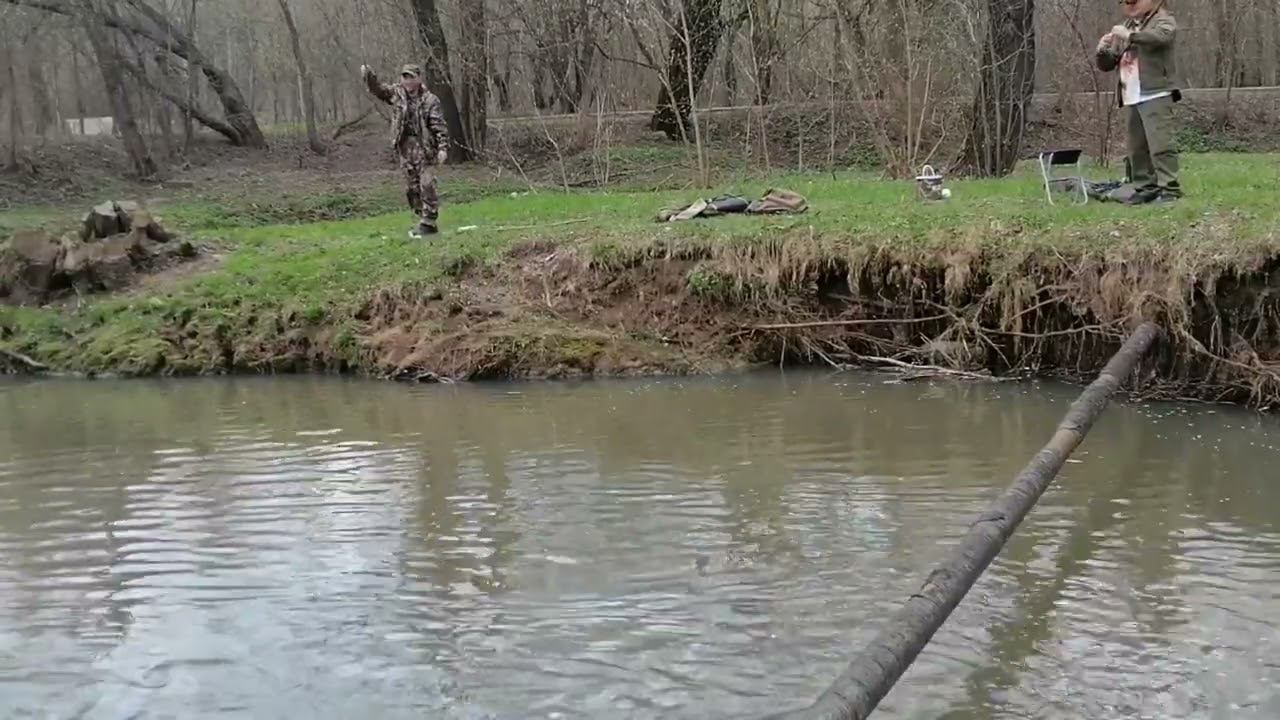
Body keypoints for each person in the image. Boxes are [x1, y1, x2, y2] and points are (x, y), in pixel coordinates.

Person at [1096, 0, 1182, 205]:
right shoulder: (1126, 27)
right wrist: (1102, 50)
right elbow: (1108, 64)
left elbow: (1162, 38)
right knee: (1136, 148)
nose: (1129, 4)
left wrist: (1131, 36)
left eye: (1135, 1)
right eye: (1125, 2)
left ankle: (1170, 189)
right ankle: (1145, 188)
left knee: (1161, 144)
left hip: (1156, 93)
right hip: (1131, 94)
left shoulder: (1163, 20)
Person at [361, 63, 451, 237]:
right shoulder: (397, 94)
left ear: (419, 78)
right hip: (405, 147)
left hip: (425, 146)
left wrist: (443, 148)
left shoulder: (430, 100)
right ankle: (422, 218)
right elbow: (378, 90)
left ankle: (429, 220)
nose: (408, 81)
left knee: (427, 183)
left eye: (411, 77)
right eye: (405, 77)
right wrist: (369, 76)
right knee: (412, 187)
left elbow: (439, 126)